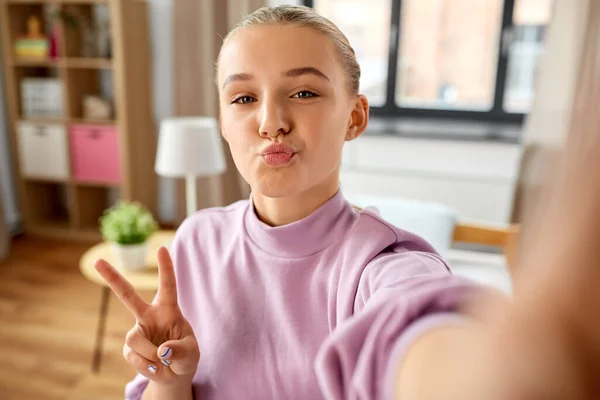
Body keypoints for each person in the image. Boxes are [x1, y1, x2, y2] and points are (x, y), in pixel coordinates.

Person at [95, 5, 600, 400]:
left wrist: (520, 363)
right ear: (224, 121)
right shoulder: (194, 240)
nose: (271, 120)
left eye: (305, 93)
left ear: (355, 117)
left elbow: (419, 334)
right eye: (244, 98)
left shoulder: (381, 266)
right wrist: (167, 376)